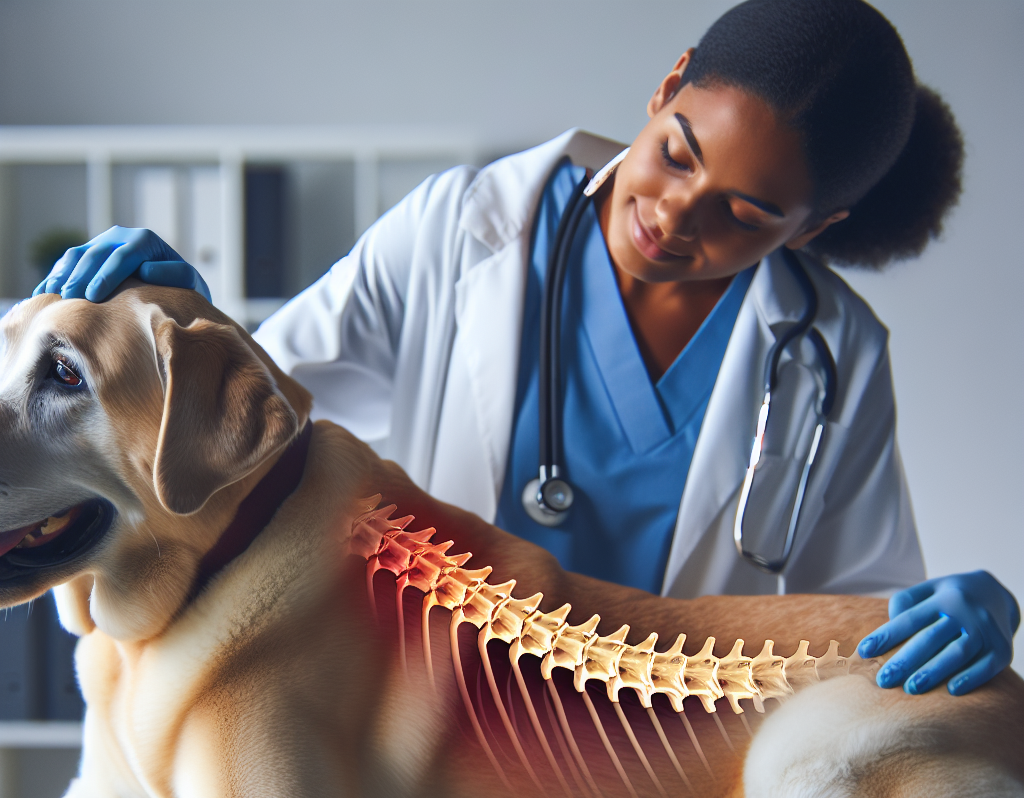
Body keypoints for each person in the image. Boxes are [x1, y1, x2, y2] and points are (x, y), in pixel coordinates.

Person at [36, 0, 1017, 694]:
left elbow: (853, 601)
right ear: (667, 84)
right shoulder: (462, 229)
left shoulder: (833, 353)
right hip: (420, 712)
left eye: (746, 214)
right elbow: (261, 417)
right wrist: (182, 318)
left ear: (810, 227)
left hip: (659, 756)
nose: (676, 215)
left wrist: (942, 616)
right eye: (678, 151)